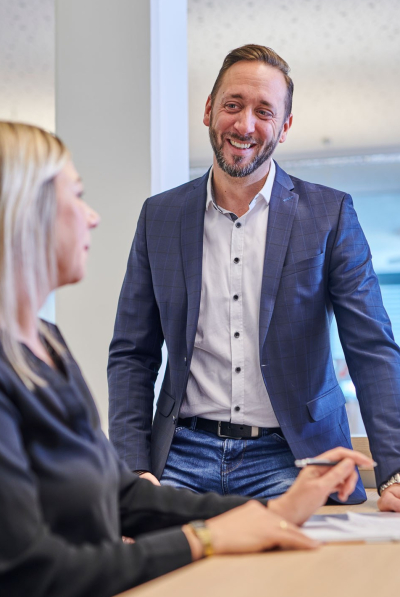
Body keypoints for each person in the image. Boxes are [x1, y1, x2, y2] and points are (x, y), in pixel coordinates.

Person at [0, 121, 373, 597]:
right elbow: (29, 580)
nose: (93, 216)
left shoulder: (47, 345)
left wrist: (272, 511)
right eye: (77, 196)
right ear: (25, 215)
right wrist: (204, 538)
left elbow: (121, 498)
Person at [108, 44, 400, 508]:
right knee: (156, 572)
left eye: (264, 111)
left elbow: (371, 346)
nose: (245, 125)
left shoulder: (329, 213)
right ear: (209, 110)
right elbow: (131, 352)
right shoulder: (159, 217)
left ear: (284, 127)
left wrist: (394, 470)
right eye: (232, 105)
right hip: (181, 454)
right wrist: (132, 468)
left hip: (292, 455)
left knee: (298, 577)